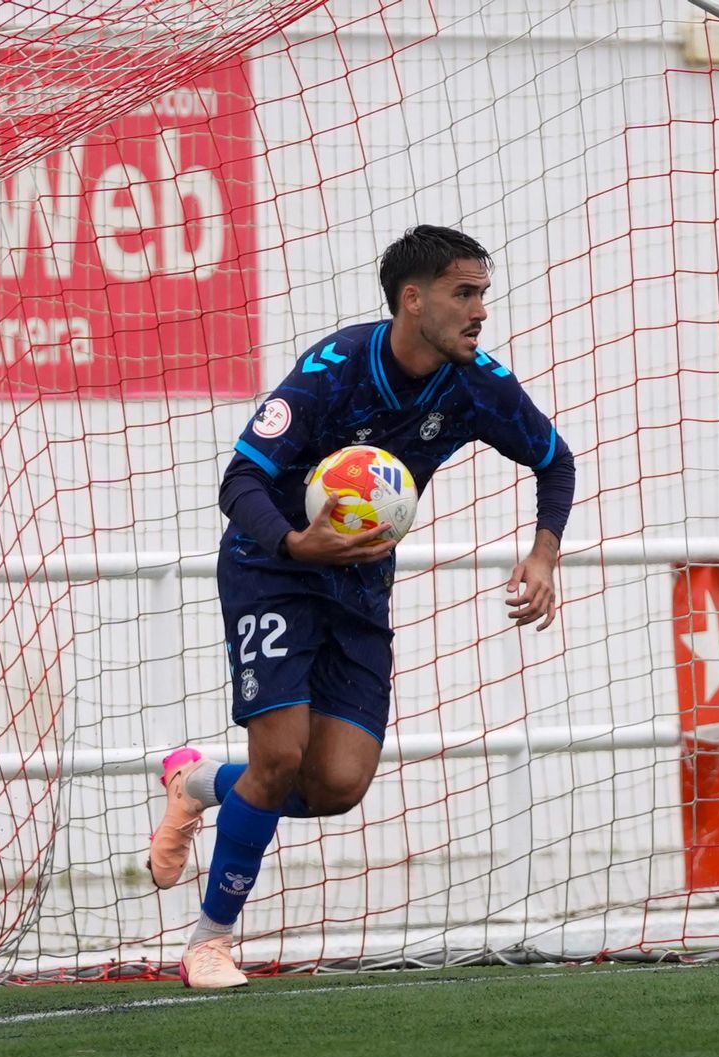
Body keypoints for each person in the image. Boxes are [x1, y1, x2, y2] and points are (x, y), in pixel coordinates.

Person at [147, 225, 575, 989]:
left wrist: (543, 553)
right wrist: (293, 544)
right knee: (278, 757)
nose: (480, 311)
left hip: (359, 590)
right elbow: (238, 483)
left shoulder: (477, 382)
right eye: (464, 294)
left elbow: (554, 459)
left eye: (483, 294)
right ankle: (208, 942)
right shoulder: (333, 370)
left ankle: (199, 784)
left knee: (339, 785)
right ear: (414, 301)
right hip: (272, 568)